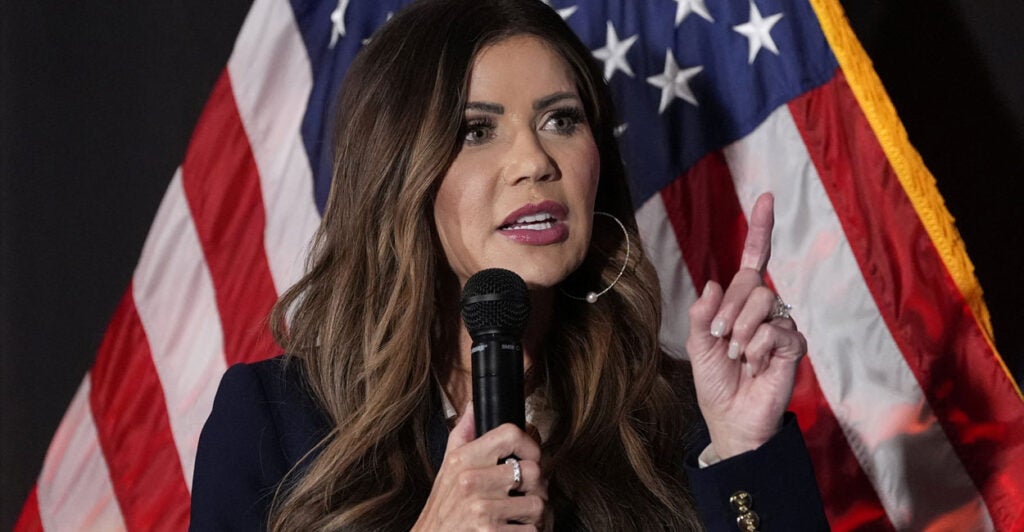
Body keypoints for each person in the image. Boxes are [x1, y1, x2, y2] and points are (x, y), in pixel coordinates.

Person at [190, 0, 829, 530]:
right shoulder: (274, 422)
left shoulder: (682, 422)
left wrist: (743, 451)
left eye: (561, 120)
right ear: (400, 177)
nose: (535, 161)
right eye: (476, 130)